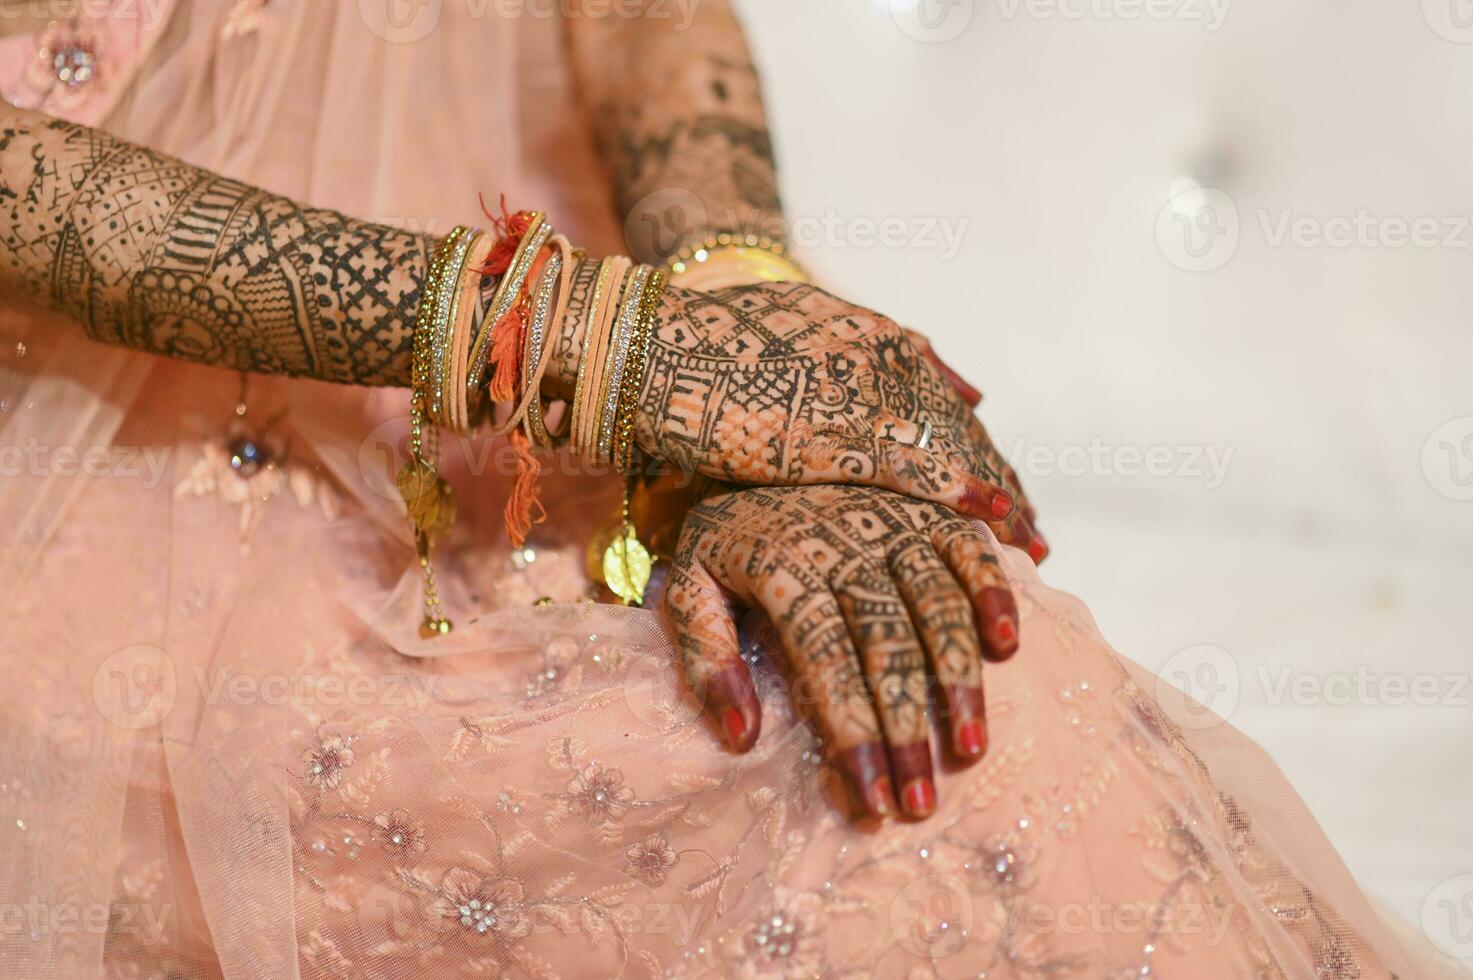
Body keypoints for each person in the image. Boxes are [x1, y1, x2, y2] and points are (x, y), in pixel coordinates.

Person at [0, 2, 1458, 977]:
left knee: (973, 708)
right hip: (71, 480)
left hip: (512, 434)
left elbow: (638, 17)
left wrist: (744, 356)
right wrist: (631, 359)